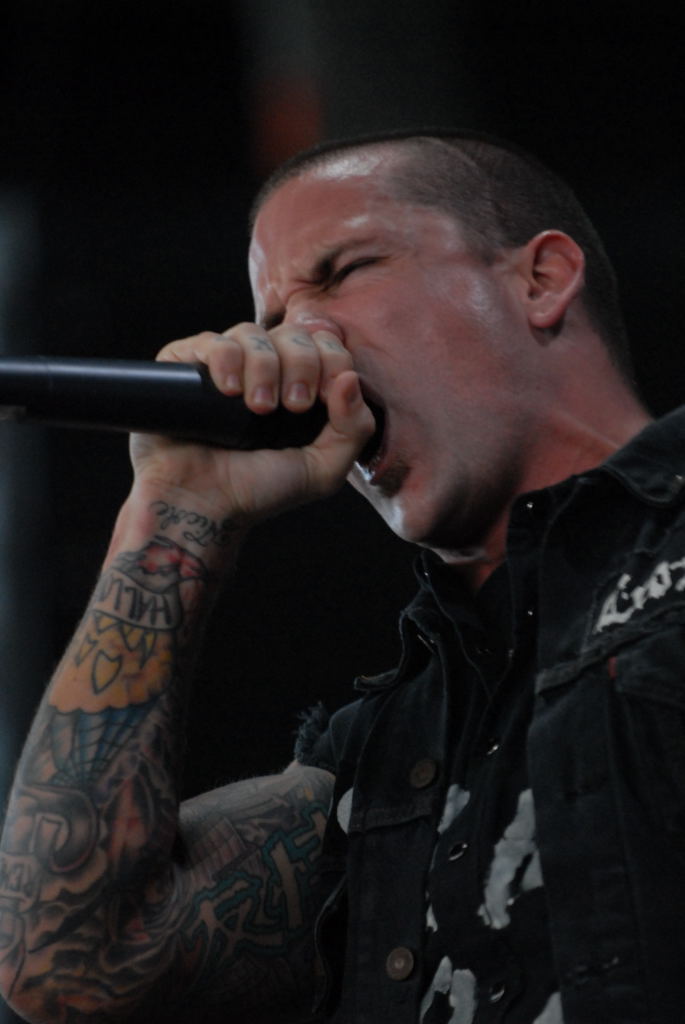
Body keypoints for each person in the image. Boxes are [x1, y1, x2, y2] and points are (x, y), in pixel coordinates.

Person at [0, 128, 678, 1024]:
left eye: (343, 271)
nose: (302, 341)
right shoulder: (385, 755)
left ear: (540, 279)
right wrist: (175, 507)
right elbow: (68, 962)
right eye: (276, 319)